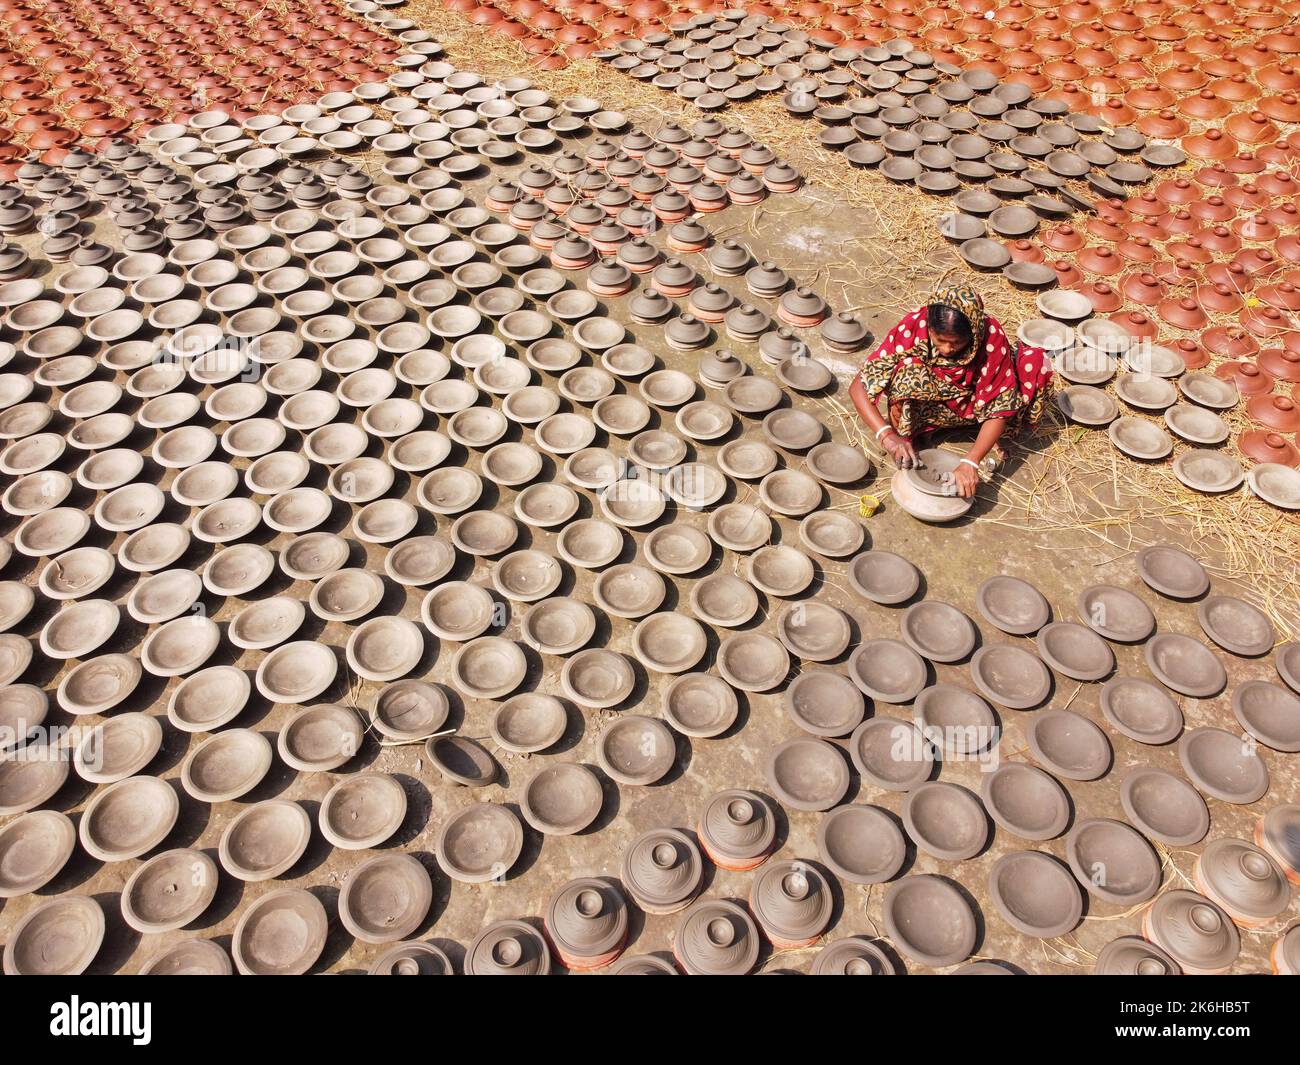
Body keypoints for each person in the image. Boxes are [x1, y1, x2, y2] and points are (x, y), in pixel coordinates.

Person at [848, 282, 1053, 498]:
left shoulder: (990, 335)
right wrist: (886, 435)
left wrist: (971, 460)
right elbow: (859, 385)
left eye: (956, 343)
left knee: (1037, 362)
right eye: (940, 340)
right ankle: (914, 435)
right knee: (906, 370)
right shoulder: (914, 325)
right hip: (929, 405)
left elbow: (1000, 404)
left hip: (975, 406)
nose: (947, 349)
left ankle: (997, 436)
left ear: (973, 330)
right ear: (930, 328)